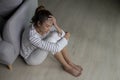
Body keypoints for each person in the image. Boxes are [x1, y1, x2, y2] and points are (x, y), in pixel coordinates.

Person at [20, 6, 83, 77]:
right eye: (47, 26)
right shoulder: (32, 36)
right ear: (39, 23)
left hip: (36, 48)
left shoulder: (42, 25)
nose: (49, 28)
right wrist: (66, 38)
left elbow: (61, 34)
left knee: (55, 34)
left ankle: (69, 63)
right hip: (30, 57)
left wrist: (55, 25)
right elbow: (56, 48)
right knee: (52, 40)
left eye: (51, 25)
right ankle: (66, 66)